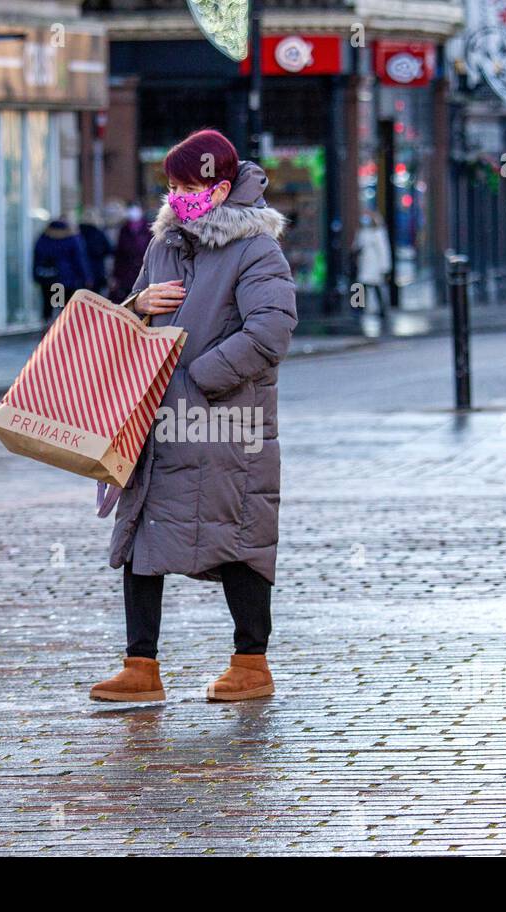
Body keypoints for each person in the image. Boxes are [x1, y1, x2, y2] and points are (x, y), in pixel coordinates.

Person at [90, 128, 297, 704]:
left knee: (235, 536)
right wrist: (136, 306)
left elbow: (271, 331)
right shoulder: (163, 245)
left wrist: (198, 379)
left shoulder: (257, 249)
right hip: (156, 423)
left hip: (225, 423)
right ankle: (140, 665)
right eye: (171, 185)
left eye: (189, 186)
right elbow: (128, 325)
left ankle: (251, 663)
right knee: (141, 535)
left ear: (222, 187)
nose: (176, 195)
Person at [32, 217, 93, 333]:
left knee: (48, 305)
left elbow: (37, 258)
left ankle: (47, 327)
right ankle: (59, 331)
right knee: (62, 306)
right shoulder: (71, 238)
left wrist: (36, 275)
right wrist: (86, 277)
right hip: (65, 280)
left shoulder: (44, 237)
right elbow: (79, 260)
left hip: (47, 279)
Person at [353, 210, 393, 336]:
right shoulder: (362, 232)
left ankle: (382, 310)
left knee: (376, 288)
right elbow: (356, 247)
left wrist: (385, 268)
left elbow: (384, 251)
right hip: (364, 265)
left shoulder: (379, 233)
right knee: (361, 287)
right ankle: (359, 309)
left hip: (374, 266)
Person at [109, 203, 152, 302]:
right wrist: (116, 276)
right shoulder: (124, 230)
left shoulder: (148, 228)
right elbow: (119, 255)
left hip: (144, 273)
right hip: (127, 274)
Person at [78, 210, 113, 294]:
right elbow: (109, 250)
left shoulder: (78, 234)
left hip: (80, 271)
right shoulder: (99, 233)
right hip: (97, 270)